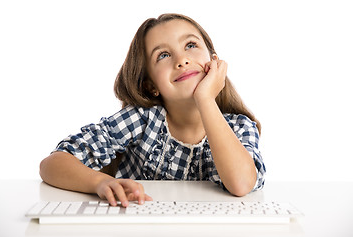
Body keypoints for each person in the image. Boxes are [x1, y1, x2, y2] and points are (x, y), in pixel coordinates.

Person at [40, 13, 266, 207]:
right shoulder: (142, 120)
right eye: (164, 55)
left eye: (190, 45)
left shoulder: (239, 126)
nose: (182, 60)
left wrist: (205, 99)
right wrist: (100, 182)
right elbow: (52, 164)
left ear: (214, 62)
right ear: (151, 86)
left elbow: (241, 184)